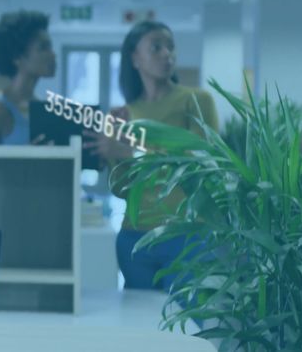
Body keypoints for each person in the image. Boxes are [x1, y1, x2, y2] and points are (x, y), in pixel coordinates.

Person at [89, 20, 217, 291]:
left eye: (170, 47)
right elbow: (122, 189)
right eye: (156, 47)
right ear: (135, 58)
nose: (166, 54)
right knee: (139, 325)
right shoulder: (124, 113)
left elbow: (199, 164)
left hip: (185, 232)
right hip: (134, 237)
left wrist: (133, 150)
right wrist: (117, 153)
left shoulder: (197, 100)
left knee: (185, 324)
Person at [0, 11, 56, 145]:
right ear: (17, 58)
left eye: (50, 47)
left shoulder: (42, 109)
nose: (53, 55)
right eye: (43, 48)